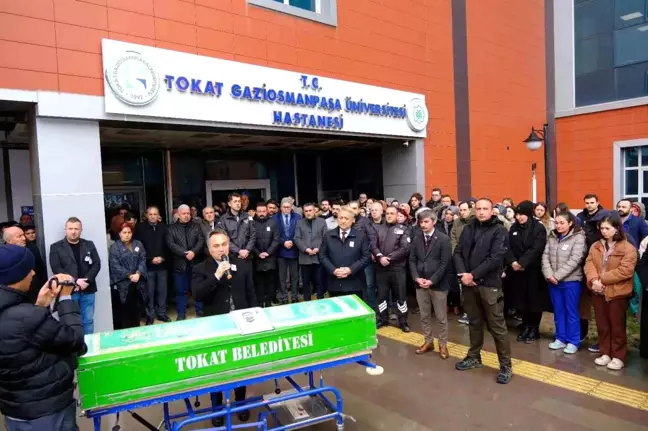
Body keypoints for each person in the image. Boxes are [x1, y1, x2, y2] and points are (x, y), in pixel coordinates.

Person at [0, 245, 86, 430]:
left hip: (15, 410)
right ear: (15, 276)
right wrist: (65, 299)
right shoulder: (26, 317)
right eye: (27, 270)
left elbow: (23, 344)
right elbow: (75, 341)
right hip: (46, 412)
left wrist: (40, 306)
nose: (32, 273)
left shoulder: (18, 314)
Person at [192, 230, 256, 427]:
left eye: (224, 244)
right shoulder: (200, 268)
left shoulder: (242, 264)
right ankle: (216, 407)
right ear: (209, 249)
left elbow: (250, 292)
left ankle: (241, 403)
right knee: (218, 368)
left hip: (241, 322)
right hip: (216, 325)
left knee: (240, 365)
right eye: (216, 246)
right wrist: (217, 275)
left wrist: (256, 316)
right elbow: (198, 295)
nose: (221, 249)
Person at [454, 198, 512, 384]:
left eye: (485, 209)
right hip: (469, 284)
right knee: (474, 322)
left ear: (492, 210)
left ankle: (505, 365)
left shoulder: (499, 230)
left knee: (497, 327)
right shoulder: (468, 228)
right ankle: (474, 356)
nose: (481, 212)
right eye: (478, 208)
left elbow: (495, 258)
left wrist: (473, 275)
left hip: (489, 285)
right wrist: (464, 274)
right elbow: (458, 252)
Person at [584, 216, 636, 370]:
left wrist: (602, 280)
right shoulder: (596, 246)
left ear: (617, 228)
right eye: (602, 228)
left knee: (617, 325)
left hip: (617, 292)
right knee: (602, 324)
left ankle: (618, 355)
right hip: (598, 291)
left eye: (607, 228)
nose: (604, 232)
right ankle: (605, 352)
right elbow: (589, 264)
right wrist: (594, 281)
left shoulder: (628, 247)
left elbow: (625, 271)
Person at [542, 211, 587, 354]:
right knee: (558, 311)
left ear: (570, 223)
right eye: (557, 223)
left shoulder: (578, 238)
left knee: (571, 311)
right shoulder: (552, 236)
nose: (559, 226)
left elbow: (575, 259)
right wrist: (549, 275)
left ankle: (573, 341)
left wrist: (557, 275)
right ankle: (560, 338)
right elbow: (545, 256)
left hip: (571, 281)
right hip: (553, 282)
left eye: (562, 223)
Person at [505, 201, 549, 344]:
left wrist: (523, 262)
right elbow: (508, 247)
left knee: (534, 300)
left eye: (522, 214)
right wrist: (513, 262)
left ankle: (534, 327)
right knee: (520, 299)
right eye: (517, 214)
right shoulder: (513, 228)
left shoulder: (538, 228)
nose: (519, 217)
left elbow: (537, 248)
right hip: (516, 271)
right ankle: (525, 324)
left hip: (532, 270)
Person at [409, 210, 452, 356]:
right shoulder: (416, 238)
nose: (423, 225)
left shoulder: (443, 239)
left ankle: (442, 344)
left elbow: (445, 264)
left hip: (438, 285)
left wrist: (432, 280)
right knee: (424, 315)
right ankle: (428, 341)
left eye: (426, 221)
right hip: (420, 284)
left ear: (433, 222)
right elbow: (412, 260)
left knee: (441, 317)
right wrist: (416, 278)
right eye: (421, 222)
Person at [49, 217, 101, 334]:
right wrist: (75, 281)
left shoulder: (89, 244)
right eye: (70, 228)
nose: (73, 231)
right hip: (68, 291)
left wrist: (86, 281)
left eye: (76, 229)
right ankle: (74, 348)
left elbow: (97, 264)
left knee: (88, 320)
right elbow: (56, 268)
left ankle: (88, 347)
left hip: (88, 289)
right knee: (70, 321)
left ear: (81, 230)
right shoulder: (56, 247)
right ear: (65, 230)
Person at [371, 205, 411, 331]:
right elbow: (373, 245)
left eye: (392, 213)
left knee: (400, 296)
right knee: (382, 296)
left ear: (396, 215)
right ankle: (383, 319)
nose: (389, 215)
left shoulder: (403, 229)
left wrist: (389, 258)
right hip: (381, 268)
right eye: (387, 213)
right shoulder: (378, 229)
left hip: (397, 268)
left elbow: (405, 248)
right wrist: (380, 257)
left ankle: (403, 322)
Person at [320, 206, 371, 298]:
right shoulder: (328, 236)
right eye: (341, 218)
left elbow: (366, 257)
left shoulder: (361, 236)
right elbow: (322, 255)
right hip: (334, 283)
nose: (343, 221)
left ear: (353, 220)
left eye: (346, 218)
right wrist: (333, 270)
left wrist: (351, 269)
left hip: (355, 283)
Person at [166, 204, 204, 320]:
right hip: (180, 264)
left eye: (188, 213)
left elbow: (201, 241)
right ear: (178, 214)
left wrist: (193, 252)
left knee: (197, 289)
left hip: (195, 262)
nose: (186, 216)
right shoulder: (171, 228)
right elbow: (171, 244)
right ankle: (181, 314)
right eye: (184, 213)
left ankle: (200, 311)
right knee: (181, 291)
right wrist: (185, 253)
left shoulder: (196, 226)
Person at [135, 206, 171, 323]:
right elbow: (139, 247)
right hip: (147, 266)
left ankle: (161, 313)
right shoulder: (140, 228)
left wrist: (163, 258)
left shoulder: (164, 227)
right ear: (146, 215)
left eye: (155, 214)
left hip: (162, 265)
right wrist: (150, 259)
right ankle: (150, 315)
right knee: (149, 292)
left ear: (158, 215)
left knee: (162, 291)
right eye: (150, 214)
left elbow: (168, 245)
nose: (152, 216)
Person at [109, 223, 147, 329]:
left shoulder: (138, 244)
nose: (127, 235)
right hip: (123, 285)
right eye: (124, 232)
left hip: (138, 283)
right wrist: (130, 275)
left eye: (129, 232)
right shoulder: (114, 248)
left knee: (137, 309)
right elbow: (115, 266)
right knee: (124, 313)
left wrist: (138, 273)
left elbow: (143, 259)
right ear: (119, 234)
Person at [294, 203, 327, 301]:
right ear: (304, 212)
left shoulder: (322, 221)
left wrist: (318, 248)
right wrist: (306, 249)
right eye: (306, 211)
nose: (308, 213)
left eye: (310, 210)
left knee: (319, 281)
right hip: (305, 257)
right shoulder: (299, 223)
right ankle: (306, 301)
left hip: (318, 257)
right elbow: (297, 238)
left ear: (314, 211)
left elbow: (325, 237)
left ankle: (320, 301)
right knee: (305, 282)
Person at [252, 201, 280, 307]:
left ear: (267, 211)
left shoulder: (273, 223)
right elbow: (251, 240)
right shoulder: (252, 223)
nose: (262, 213)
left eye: (264, 211)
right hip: (257, 259)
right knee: (259, 282)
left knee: (271, 282)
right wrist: (258, 253)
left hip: (270, 258)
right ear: (256, 212)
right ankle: (260, 304)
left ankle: (268, 303)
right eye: (259, 211)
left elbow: (276, 240)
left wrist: (268, 252)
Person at [218, 193, 256, 269]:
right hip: (232, 257)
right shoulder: (223, 219)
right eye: (235, 201)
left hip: (247, 256)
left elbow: (253, 235)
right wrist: (239, 251)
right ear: (229, 203)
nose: (238, 203)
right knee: (236, 280)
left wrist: (247, 250)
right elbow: (224, 239)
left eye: (239, 201)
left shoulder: (248, 217)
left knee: (248, 280)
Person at [275, 197, 301, 303]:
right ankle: (284, 298)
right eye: (284, 207)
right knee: (282, 278)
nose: (286, 209)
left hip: (294, 250)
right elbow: (274, 235)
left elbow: (300, 233)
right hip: (281, 251)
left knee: (295, 277)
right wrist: (283, 242)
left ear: (291, 207)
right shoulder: (274, 219)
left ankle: (294, 297)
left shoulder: (298, 217)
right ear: (280, 207)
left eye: (288, 207)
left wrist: (293, 242)